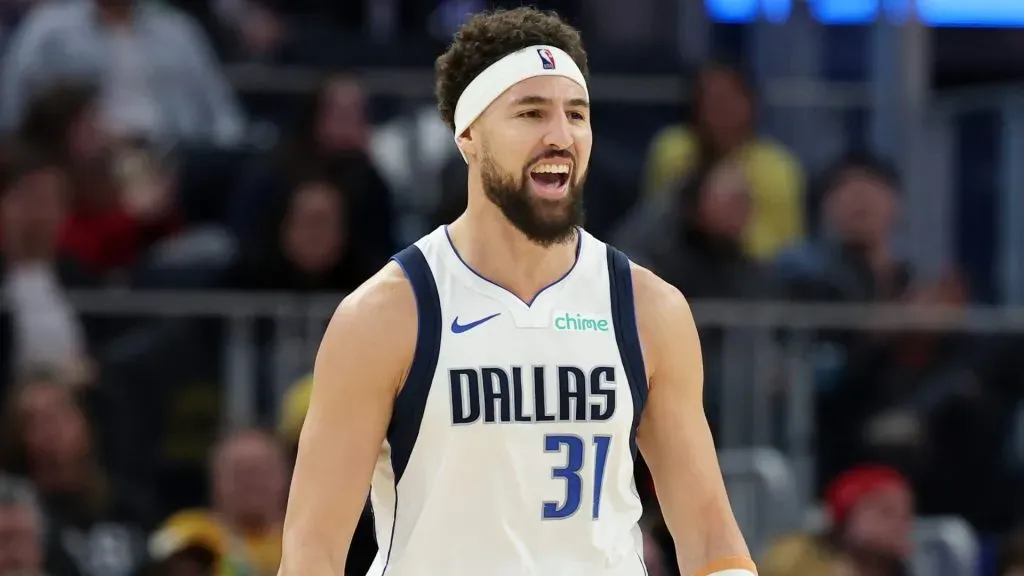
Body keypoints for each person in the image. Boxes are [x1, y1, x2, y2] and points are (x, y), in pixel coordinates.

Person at [279, 7, 753, 576]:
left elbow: (709, 532)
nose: (560, 136)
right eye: (531, 113)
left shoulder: (647, 308)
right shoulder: (386, 314)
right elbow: (313, 550)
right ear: (468, 135)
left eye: (576, 114)